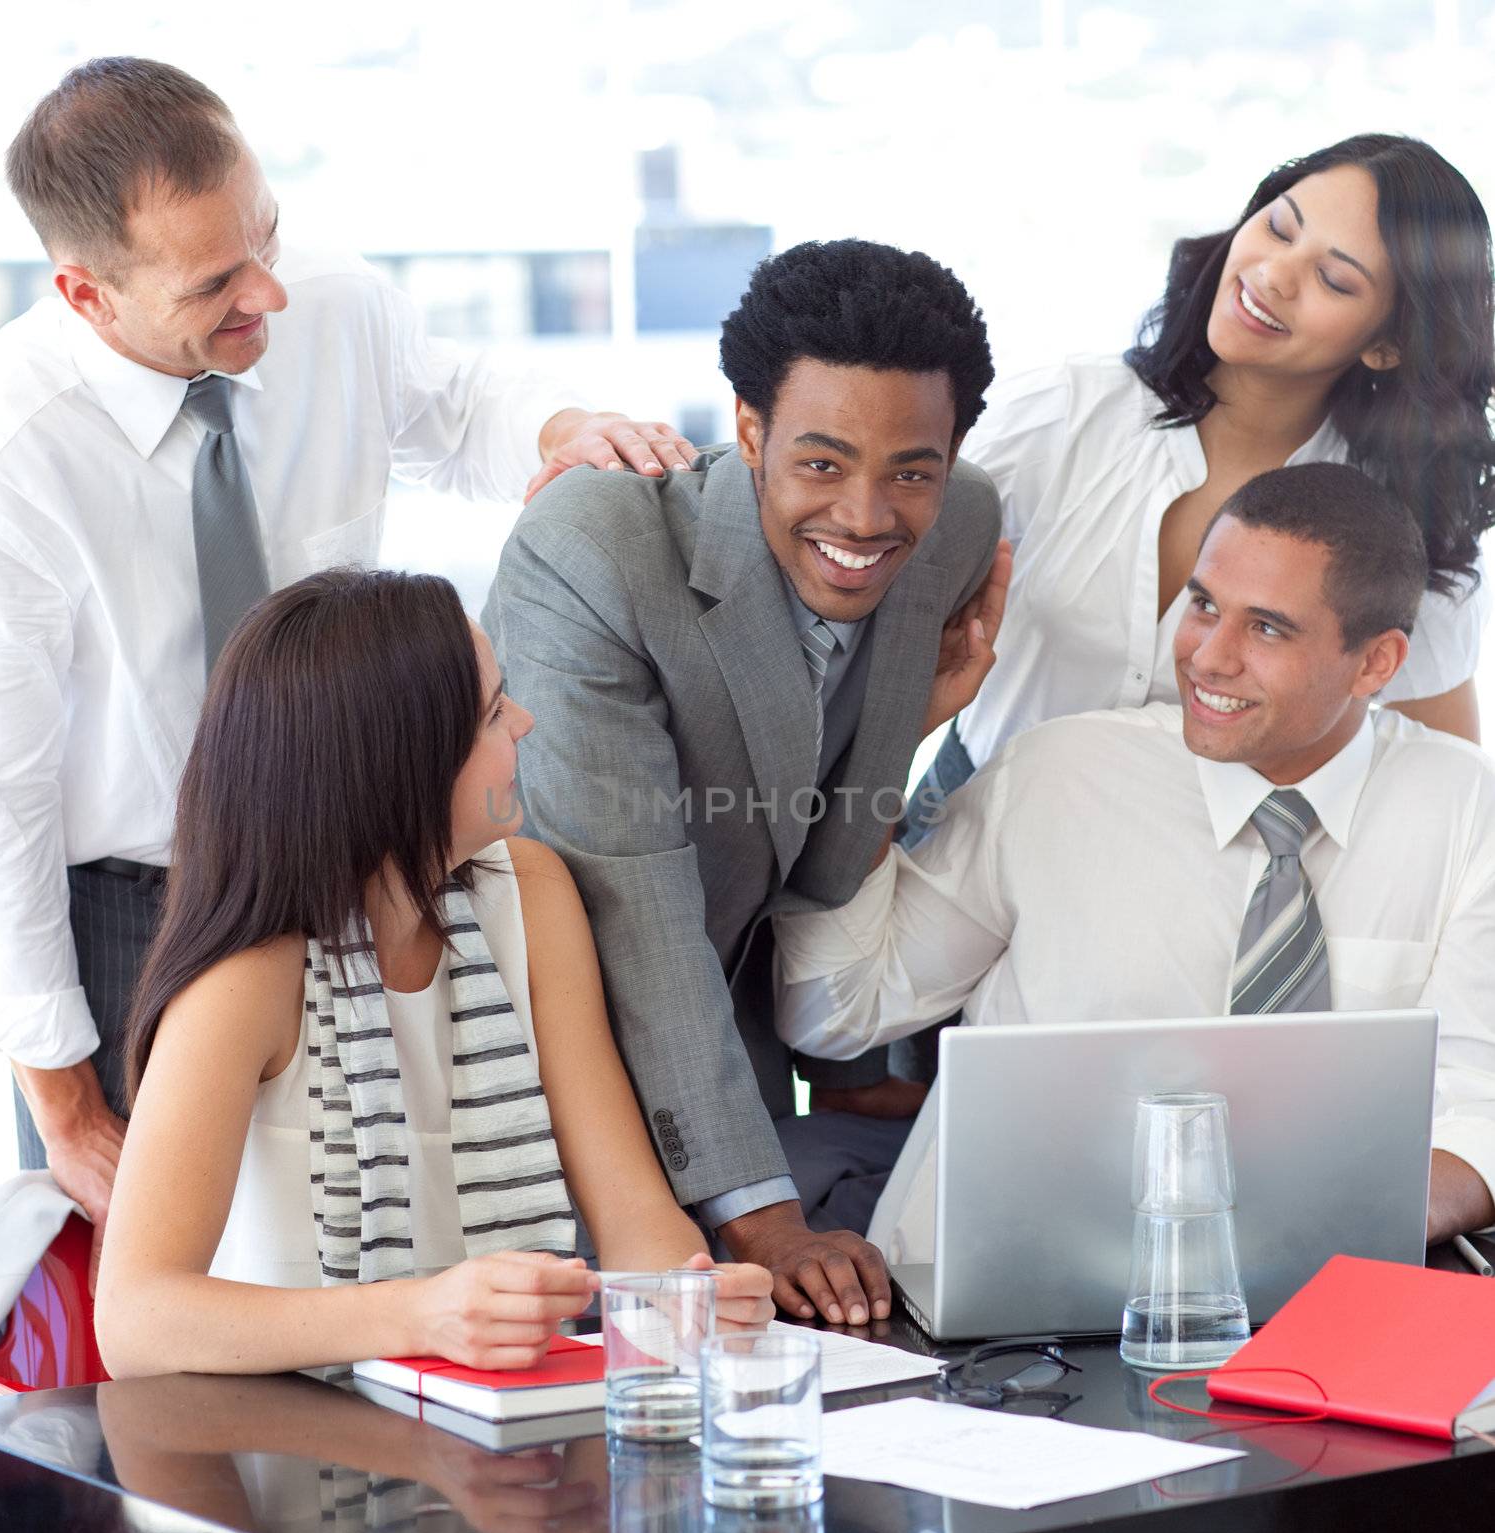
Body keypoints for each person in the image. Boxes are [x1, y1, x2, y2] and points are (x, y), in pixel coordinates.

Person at [0, 56, 693, 1270]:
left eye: (267, 239)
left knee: (347, 1245)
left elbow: (452, 407)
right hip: (139, 902)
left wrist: (561, 431)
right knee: (159, 1296)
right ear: (84, 293)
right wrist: (64, 1107)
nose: (268, 296)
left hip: (351, 865)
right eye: (216, 280)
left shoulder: (323, 301)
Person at [483, 239, 1008, 1327]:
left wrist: (909, 727)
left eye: (912, 466)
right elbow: (624, 900)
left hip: (736, 1072)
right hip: (538, 1071)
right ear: (751, 429)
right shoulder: (596, 549)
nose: (867, 516)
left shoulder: (957, 529)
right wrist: (760, 1215)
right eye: (821, 463)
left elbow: (806, 873)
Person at [775, 463, 1495, 1247]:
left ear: (1376, 663)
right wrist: (892, 739)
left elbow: (1477, 1102)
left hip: (1319, 1292)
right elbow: (836, 1010)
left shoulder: (1464, 811)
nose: (1208, 658)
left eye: (1267, 628)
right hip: (1012, 1279)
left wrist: (1312, 1234)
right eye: (1204, 606)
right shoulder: (1057, 775)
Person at [95, 568, 772, 1379]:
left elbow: (632, 1213)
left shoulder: (531, 893)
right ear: (398, 767)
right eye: (491, 713)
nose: (523, 723)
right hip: (279, 1455)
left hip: (485, 1439)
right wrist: (421, 1314)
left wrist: (689, 1294)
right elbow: (134, 1319)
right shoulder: (247, 977)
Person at [924, 132, 1495, 821]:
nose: (1274, 275)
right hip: (966, 810)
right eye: (1280, 228)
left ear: (1386, 344)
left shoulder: (1399, 523)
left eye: (1334, 279)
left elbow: (1445, 783)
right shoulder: (1060, 412)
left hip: (1206, 883)